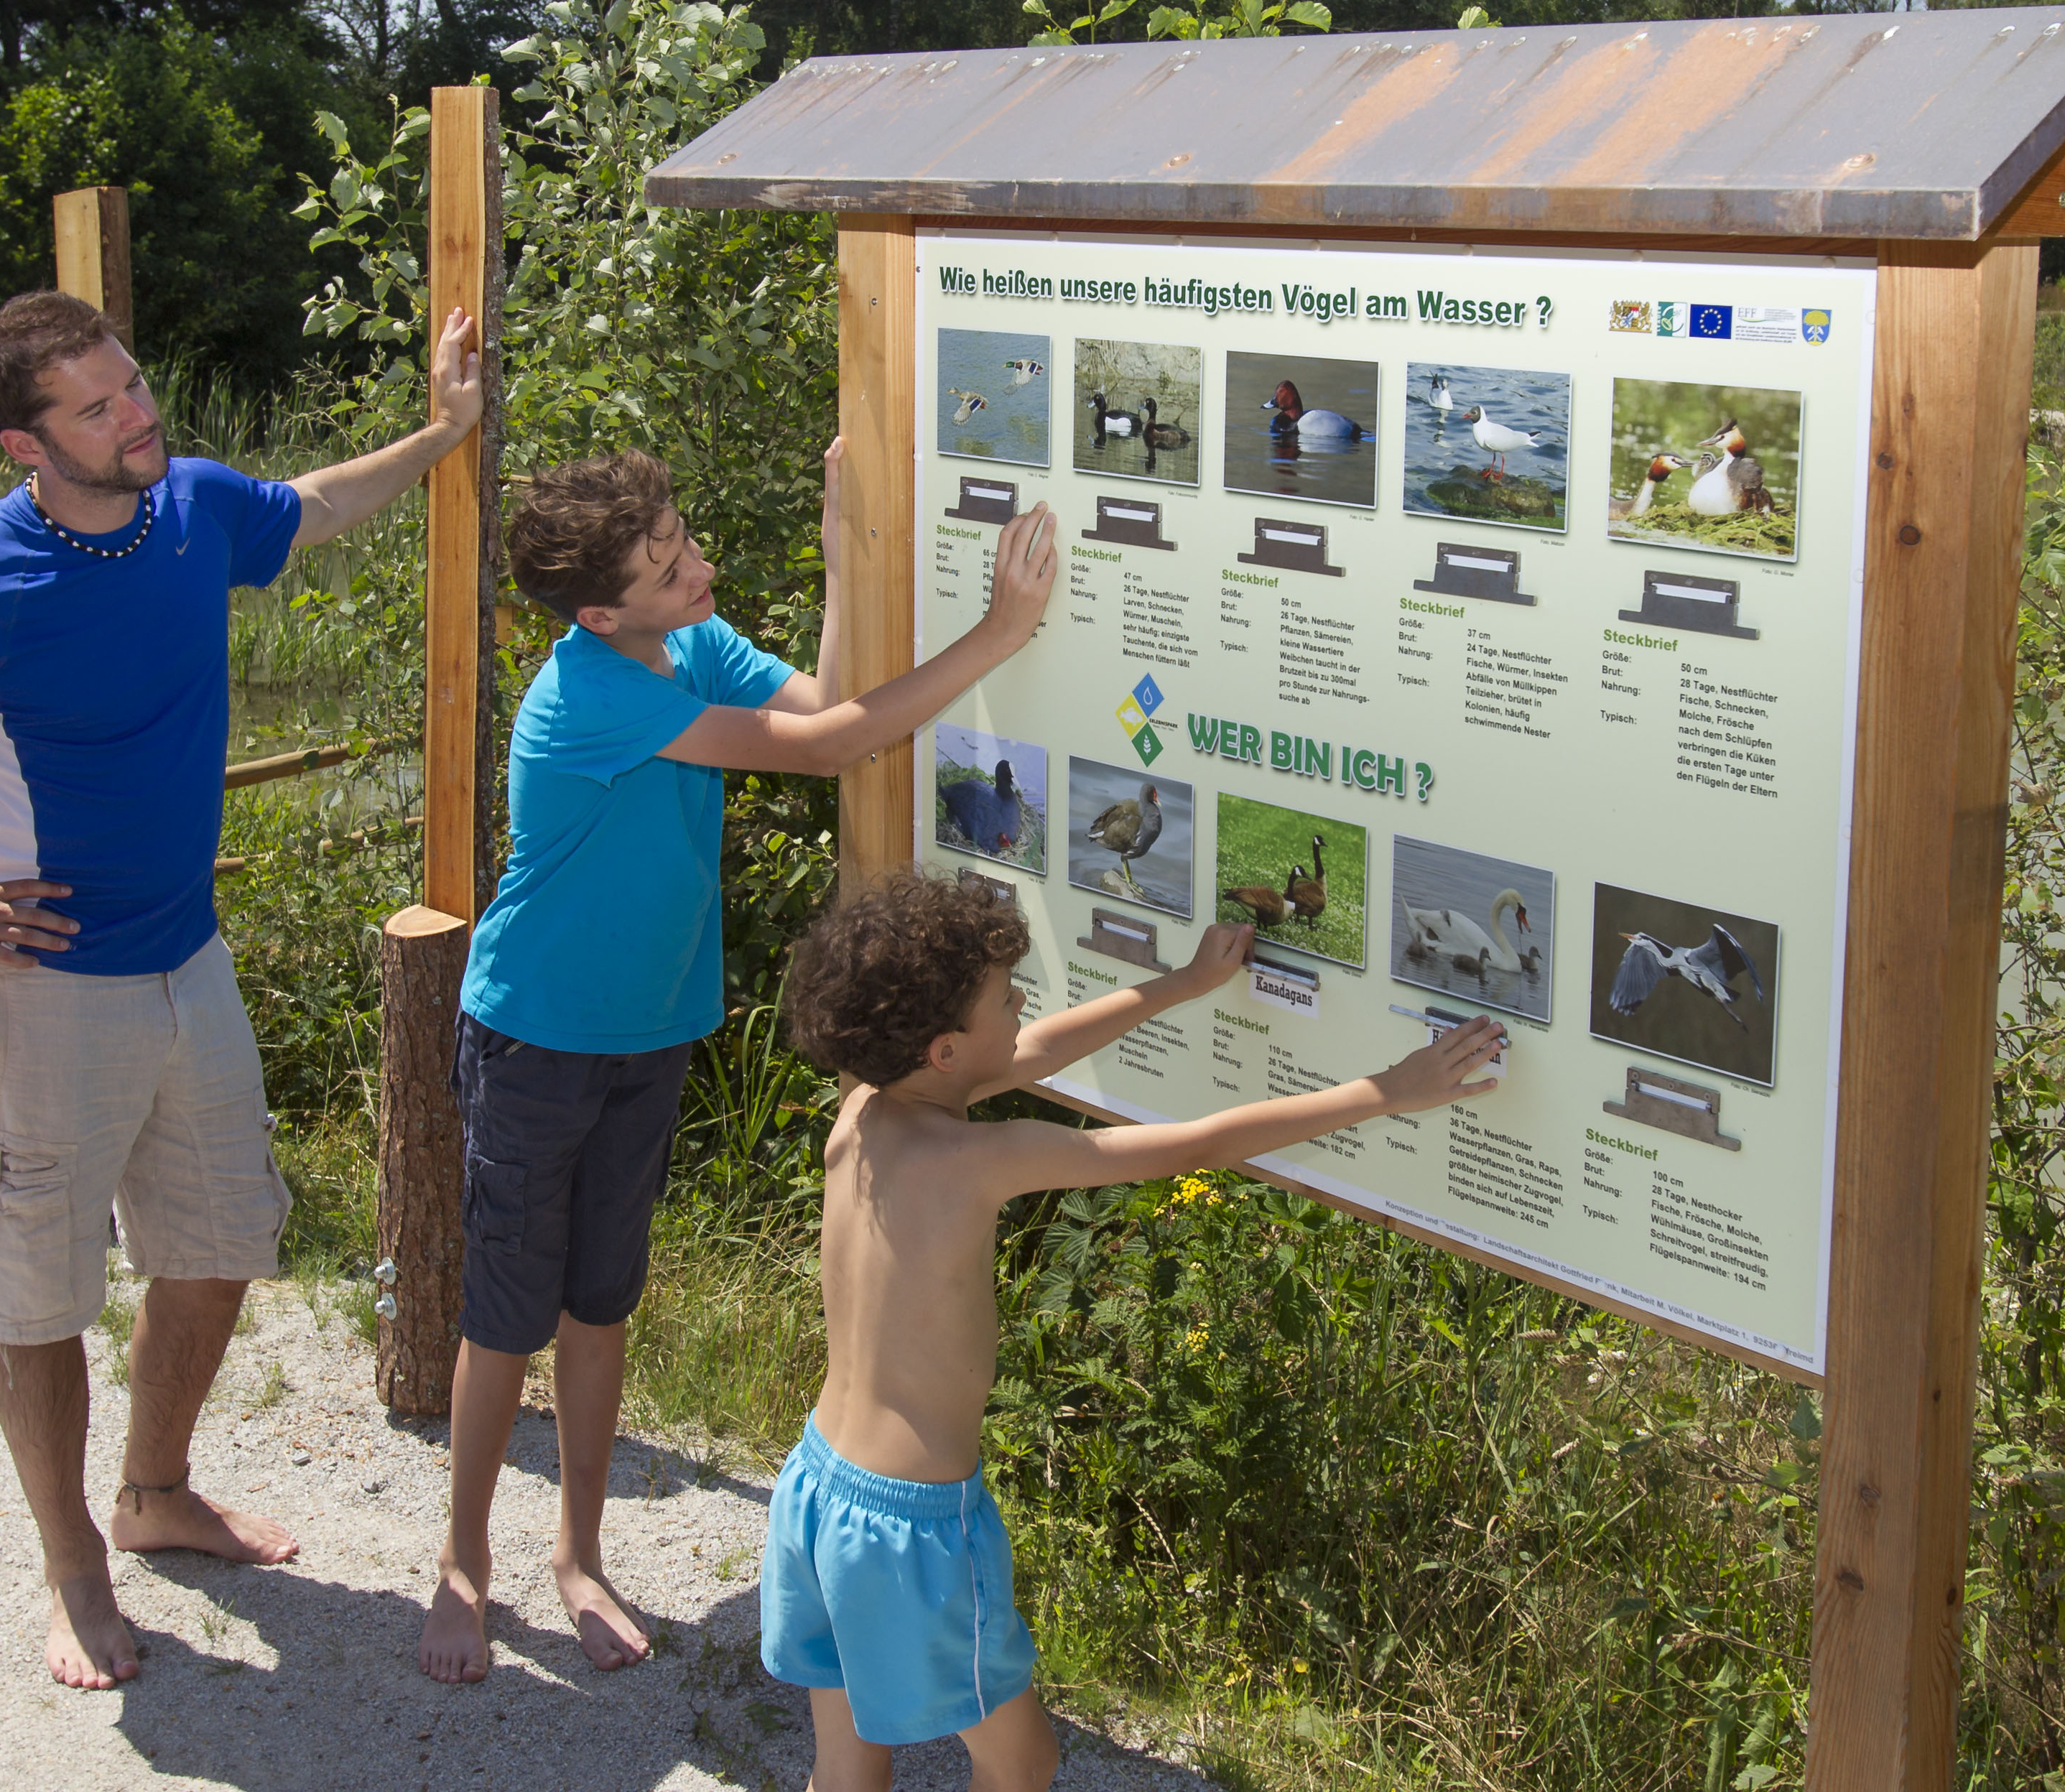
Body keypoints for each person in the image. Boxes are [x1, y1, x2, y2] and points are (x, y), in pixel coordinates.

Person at [0, 291, 489, 1689]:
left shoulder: (191, 512)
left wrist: (445, 429)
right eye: (95, 407)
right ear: (17, 445)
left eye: (132, 382)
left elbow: (315, 503)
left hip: (188, 958)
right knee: (37, 1295)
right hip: (41, 994)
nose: (134, 415)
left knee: (219, 1242)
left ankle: (155, 1493)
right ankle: (74, 1573)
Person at [417, 447, 1059, 1682]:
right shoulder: (592, 690)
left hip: (648, 1034)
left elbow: (825, 703)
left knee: (601, 1301)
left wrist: (836, 539)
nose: (698, 563)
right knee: (506, 1314)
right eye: (668, 565)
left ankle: (580, 1553)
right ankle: (461, 1564)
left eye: (684, 535)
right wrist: (1002, 629)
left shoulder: (688, 648)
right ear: (603, 613)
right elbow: (834, 750)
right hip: (537, 1036)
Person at [767, 873, 1503, 1788]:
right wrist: (1384, 1089)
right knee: (1023, 1759)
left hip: (818, 1485)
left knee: (846, 1756)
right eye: (1005, 995)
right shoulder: (979, 1157)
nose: (1022, 1003)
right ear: (946, 1047)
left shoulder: (866, 1109)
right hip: (915, 1526)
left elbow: (1029, 1050)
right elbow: (1188, 1145)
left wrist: (1181, 985)